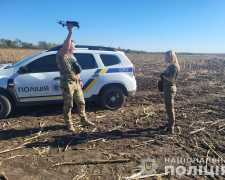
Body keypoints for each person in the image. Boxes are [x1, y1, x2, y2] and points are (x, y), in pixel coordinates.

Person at [56, 23, 95, 133]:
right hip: (67, 83)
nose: (74, 48)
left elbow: (76, 70)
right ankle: (69, 124)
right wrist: (70, 32)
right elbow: (65, 47)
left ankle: (84, 120)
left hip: (76, 83)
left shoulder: (72, 56)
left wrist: (80, 80)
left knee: (81, 102)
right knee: (68, 105)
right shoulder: (61, 54)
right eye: (73, 46)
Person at [154, 50, 180, 135]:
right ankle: (169, 125)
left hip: (170, 90)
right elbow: (168, 76)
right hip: (168, 89)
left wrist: (161, 75)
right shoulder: (171, 66)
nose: (165, 59)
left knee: (170, 110)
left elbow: (171, 79)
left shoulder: (173, 67)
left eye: (166, 57)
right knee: (168, 109)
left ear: (171, 57)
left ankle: (170, 129)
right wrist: (161, 73)